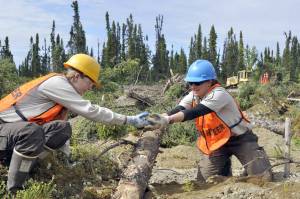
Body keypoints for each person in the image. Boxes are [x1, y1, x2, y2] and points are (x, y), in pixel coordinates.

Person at [0, 53, 149, 193]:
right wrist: (129, 120)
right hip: (3, 132)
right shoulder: (57, 83)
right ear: (77, 76)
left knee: (62, 128)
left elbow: (58, 130)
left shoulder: (63, 94)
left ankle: (26, 168)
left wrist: (67, 160)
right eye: (90, 82)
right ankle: (15, 190)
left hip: (13, 136)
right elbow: (91, 111)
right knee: (32, 131)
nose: (90, 87)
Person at [147, 59, 272, 181]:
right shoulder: (193, 95)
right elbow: (180, 108)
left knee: (263, 178)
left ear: (210, 81)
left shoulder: (219, 94)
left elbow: (195, 112)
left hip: (240, 138)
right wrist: (161, 117)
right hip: (217, 143)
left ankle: (251, 165)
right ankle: (224, 168)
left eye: (197, 83)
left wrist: (168, 120)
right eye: (190, 83)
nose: (193, 87)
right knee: (203, 182)